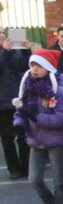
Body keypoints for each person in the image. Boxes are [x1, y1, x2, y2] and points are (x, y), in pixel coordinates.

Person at [13, 49, 63, 204]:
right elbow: (20, 110)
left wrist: (37, 118)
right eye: (32, 65)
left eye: (39, 65)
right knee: (34, 179)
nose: (35, 69)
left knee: (58, 181)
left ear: (48, 68)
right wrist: (19, 123)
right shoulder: (27, 88)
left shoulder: (58, 91)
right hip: (35, 141)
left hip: (56, 142)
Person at [0, 30, 31, 178]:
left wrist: (27, 51)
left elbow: (27, 68)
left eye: (2, 32)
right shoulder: (6, 51)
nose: (1, 35)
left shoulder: (15, 50)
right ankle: (14, 168)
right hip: (2, 103)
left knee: (23, 135)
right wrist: (4, 52)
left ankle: (26, 166)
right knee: (7, 138)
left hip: (19, 100)